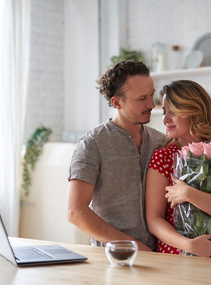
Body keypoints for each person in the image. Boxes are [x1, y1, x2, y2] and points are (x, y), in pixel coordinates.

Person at [67, 60, 165, 251]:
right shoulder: (92, 144)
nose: (151, 105)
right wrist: (133, 246)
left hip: (162, 257)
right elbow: (75, 212)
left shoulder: (160, 142)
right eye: (141, 98)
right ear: (116, 102)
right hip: (111, 258)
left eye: (151, 95)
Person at [146, 80, 211, 260]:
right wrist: (189, 245)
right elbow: (154, 220)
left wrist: (189, 194)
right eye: (164, 111)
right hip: (178, 256)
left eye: (174, 112)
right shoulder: (162, 158)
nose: (165, 119)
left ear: (195, 111)